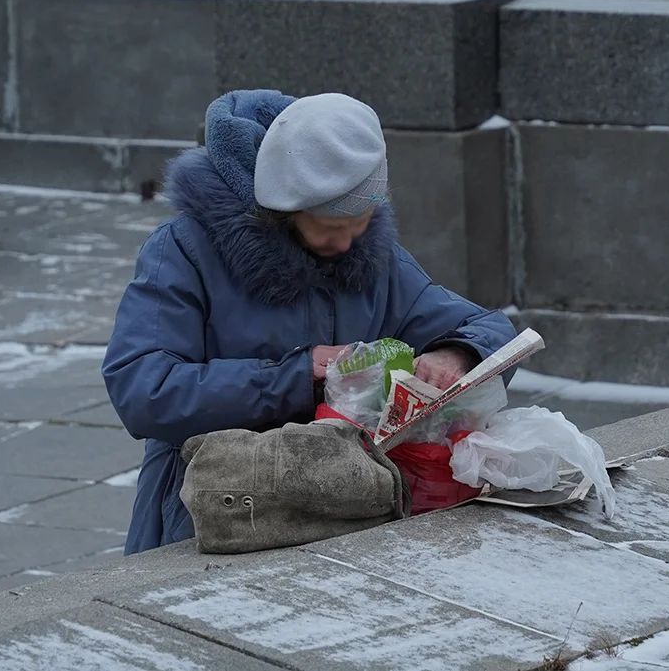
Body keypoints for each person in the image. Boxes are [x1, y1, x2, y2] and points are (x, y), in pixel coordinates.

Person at [103, 89, 517, 555]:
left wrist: (457, 354)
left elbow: (488, 329)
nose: (346, 244)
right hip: (215, 509)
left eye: (361, 221)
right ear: (282, 211)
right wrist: (296, 377)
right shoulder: (183, 249)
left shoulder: (371, 255)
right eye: (330, 226)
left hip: (343, 507)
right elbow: (143, 389)